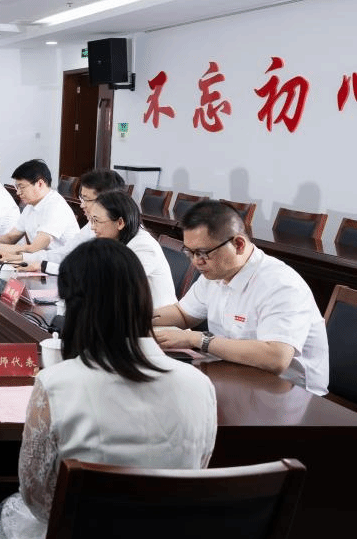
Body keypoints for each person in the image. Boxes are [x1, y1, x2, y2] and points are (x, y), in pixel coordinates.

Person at [0, 239, 217, 539]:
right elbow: (197, 471)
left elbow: (37, 498)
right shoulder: (199, 384)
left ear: (74, 307)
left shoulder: (57, 383)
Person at [153, 200, 329, 395]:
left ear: (238, 244)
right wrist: (135, 316)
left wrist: (197, 339)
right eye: (190, 253)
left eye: (202, 253)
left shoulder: (280, 284)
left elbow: (276, 358)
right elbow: (182, 313)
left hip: (292, 393)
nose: (196, 262)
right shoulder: (216, 273)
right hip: (238, 374)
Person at [18, 168, 126, 275]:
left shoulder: (130, 242)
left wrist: (44, 265)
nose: (82, 205)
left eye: (86, 199)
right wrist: (23, 258)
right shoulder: (93, 225)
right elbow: (68, 253)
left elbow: (90, 272)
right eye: (81, 198)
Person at [0, 159, 80, 265]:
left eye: (21, 187)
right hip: (40, 263)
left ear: (40, 184)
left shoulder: (56, 207)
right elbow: (10, 237)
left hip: (63, 266)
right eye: (17, 187)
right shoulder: (31, 205)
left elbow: (34, 248)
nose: (18, 192)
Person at [86, 191, 177, 307]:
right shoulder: (114, 240)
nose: (92, 227)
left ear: (120, 223)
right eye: (91, 220)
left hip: (157, 316)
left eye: (97, 221)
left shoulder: (144, 247)